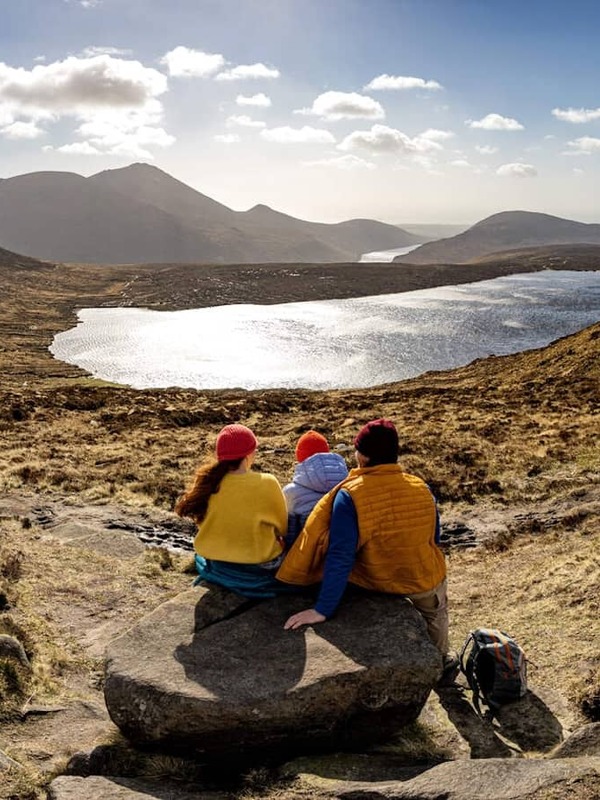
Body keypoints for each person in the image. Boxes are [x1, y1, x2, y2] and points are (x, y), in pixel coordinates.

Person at [277, 418, 458, 682]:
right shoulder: (422, 487)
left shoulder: (350, 494)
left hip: (375, 580)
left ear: (362, 455)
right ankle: (441, 664)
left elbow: (341, 554)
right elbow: (434, 536)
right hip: (423, 578)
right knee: (436, 613)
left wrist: (323, 609)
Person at [175, 423, 289, 598]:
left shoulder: (208, 483)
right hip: (259, 568)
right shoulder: (267, 482)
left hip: (218, 563)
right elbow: (283, 529)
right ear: (248, 454)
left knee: (201, 559)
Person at [283, 430, 348, 548]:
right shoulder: (348, 483)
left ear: (299, 457)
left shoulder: (291, 492)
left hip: (307, 554)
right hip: (343, 552)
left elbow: (289, 534)